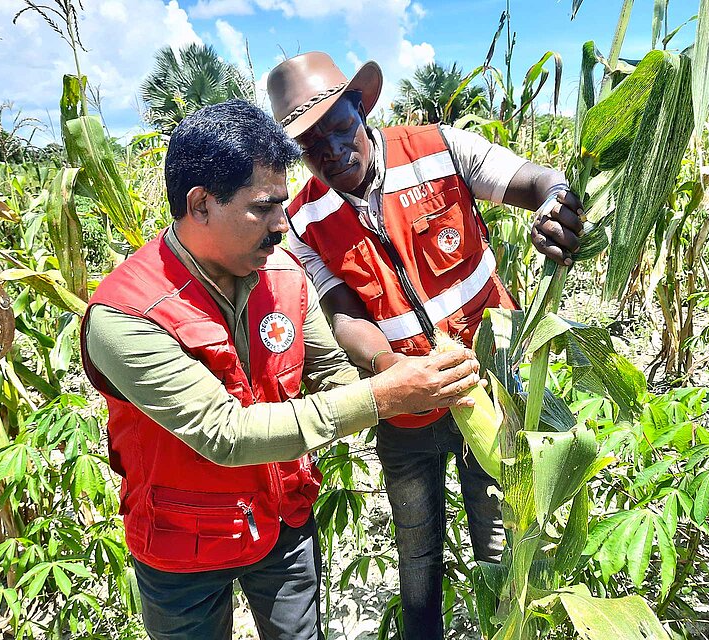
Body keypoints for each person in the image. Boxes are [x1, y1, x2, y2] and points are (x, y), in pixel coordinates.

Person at [79, 99, 484, 640]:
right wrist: (386, 396)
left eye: (283, 204)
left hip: (282, 520)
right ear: (200, 205)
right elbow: (225, 433)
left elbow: (335, 373)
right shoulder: (125, 315)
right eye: (265, 208)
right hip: (183, 543)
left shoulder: (286, 276)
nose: (283, 223)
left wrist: (410, 376)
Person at [266, 52, 585, 639]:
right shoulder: (303, 216)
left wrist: (553, 204)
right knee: (418, 559)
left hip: (492, 385)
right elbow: (343, 314)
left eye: (339, 129)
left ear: (361, 107)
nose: (333, 152)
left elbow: (534, 180)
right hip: (406, 406)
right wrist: (391, 370)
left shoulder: (439, 149)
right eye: (313, 146)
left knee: (501, 540)